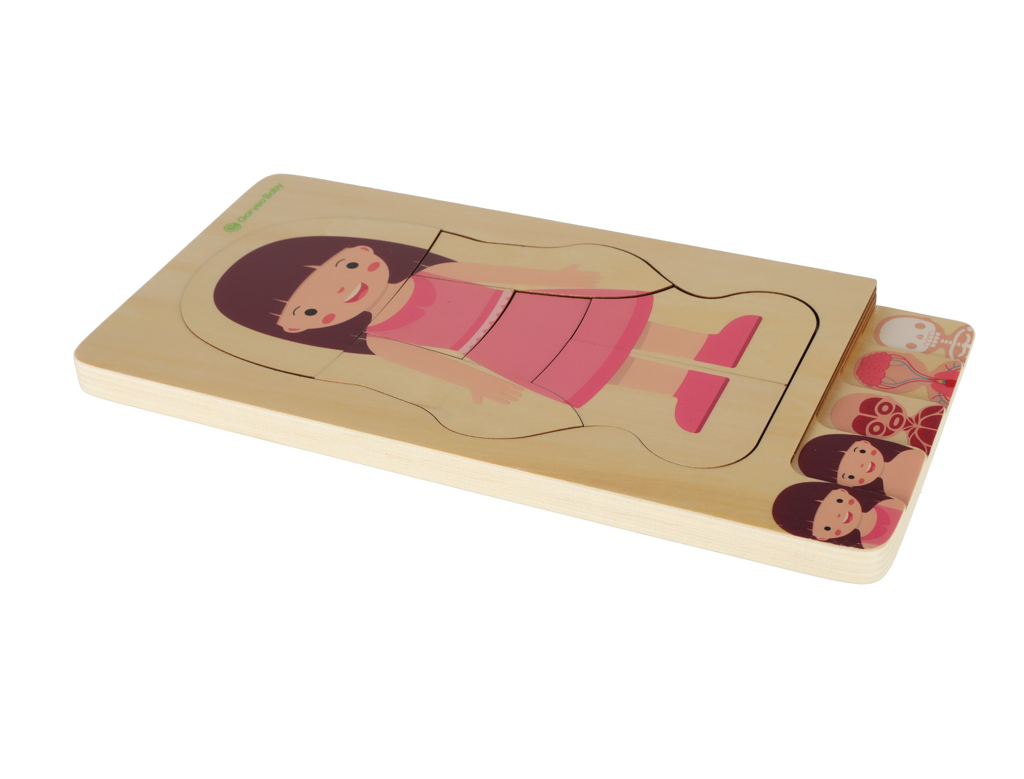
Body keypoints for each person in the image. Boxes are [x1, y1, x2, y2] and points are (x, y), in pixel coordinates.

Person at [213, 235, 763, 435]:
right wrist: (483, 385)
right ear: (299, 327)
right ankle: (680, 387)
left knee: (632, 330)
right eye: (312, 308)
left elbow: (505, 275)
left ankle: (707, 346)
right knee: (610, 367)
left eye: (344, 268)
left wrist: (560, 280)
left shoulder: (437, 272)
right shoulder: (381, 340)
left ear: (361, 251)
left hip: (538, 311)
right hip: (507, 351)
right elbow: (436, 367)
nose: (344, 290)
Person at [795, 434, 925, 503]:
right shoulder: (892, 494)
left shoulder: (912, 455)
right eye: (850, 476)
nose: (861, 465)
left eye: (861, 451)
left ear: (865, 442)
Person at [771, 482, 906, 548]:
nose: (839, 516)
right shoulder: (868, 545)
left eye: (838, 501)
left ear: (842, 491)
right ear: (822, 537)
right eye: (827, 527)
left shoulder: (890, 504)